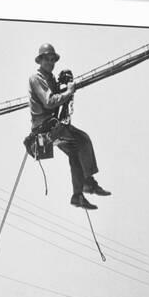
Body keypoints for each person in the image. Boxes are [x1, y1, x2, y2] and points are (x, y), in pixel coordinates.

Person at [28, 43, 111, 210]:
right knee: (81, 140)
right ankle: (87, 183)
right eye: (47, 59)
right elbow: (50, 101)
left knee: (76, 149)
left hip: (53, 126)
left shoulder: (50, 79)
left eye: (53, 60)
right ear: (40, 60)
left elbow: (57, 99)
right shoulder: (36, 78)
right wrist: (69, 92)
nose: (50, 63)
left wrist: (64, 85)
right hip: (45, 127)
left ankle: (78, 194)